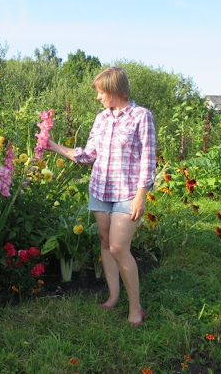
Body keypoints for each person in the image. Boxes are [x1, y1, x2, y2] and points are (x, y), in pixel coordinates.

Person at [46, 67, 156, 326]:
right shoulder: (101, 119)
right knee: (106, 243)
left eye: (101, 92)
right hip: (100, 189)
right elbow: (88, 154)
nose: (98, 98)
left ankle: (135, 308)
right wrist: (53, 146)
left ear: (114, 90)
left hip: (128, 192)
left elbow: (148, 160)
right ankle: (113, 295)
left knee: (119, 247)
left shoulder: (141, 116)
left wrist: (142, 196)